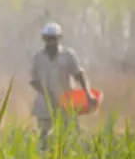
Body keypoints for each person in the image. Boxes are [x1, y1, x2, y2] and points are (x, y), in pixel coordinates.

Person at [29, 22, 97, 150]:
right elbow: (33, 81)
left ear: (60, 38)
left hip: (66, 103)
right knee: (44, 137)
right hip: (45, 105)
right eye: (49, 38)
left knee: (70, 137)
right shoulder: (38, 58)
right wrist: (48, 95)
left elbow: (79, 75)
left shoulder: (68, 55)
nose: (51, 42)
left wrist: (88, 94)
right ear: (44, 39)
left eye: (54, 38)